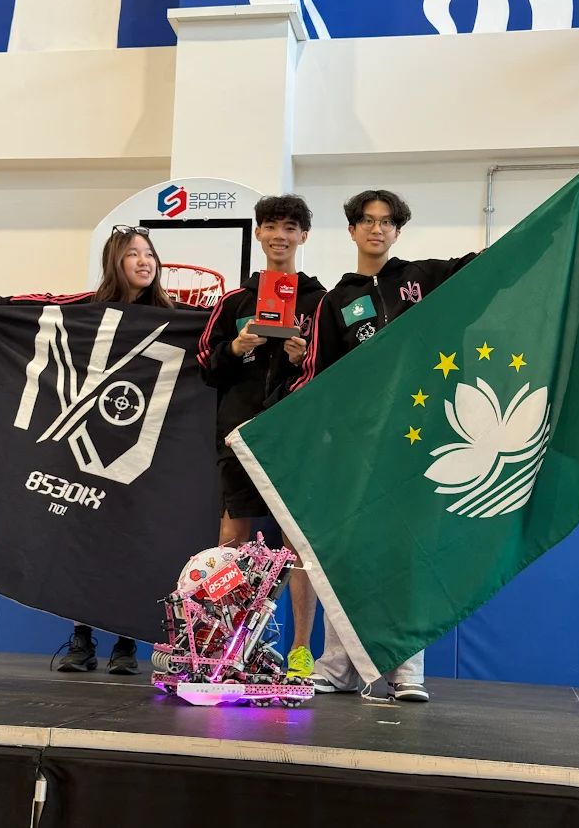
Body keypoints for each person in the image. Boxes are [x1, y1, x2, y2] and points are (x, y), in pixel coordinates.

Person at [292, 189, 477, 701]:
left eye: (387, 221)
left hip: (418, 442)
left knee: (408, 555)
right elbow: (317, 379)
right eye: (368, 221)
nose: (377, 229)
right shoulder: (334, 302)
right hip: (357, 450)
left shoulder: (424, 277)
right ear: (352, 230)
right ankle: (338, 668)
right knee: (347, 555)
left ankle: (406, 671)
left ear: (398, 231)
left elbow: (486, 267)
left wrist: (542, 228)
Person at [0, 224, 173, 674]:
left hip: (140, 456)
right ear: (115, 261)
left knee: (130, 547)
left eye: (149, 254)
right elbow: (41, 307)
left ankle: (126, 644)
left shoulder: (175, 316)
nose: (144, 261)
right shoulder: (89, 307)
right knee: (84, 545)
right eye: (133, 254)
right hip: (84, 446)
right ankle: (81, 640)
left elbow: (218, 336)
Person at [197, 195, 326, 679]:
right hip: (239, 435)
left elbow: (337, 371)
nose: (280, 236)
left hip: (298, 436)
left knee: (298, 544)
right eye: (271, 226)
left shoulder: (321, 301)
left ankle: (300, 650)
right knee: (232, 538)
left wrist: (303, 360)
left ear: (303, 236)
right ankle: (226, 646)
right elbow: (205, 367)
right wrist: (235, 347)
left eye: (290, 227)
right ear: (258, 234)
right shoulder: (234, 302)